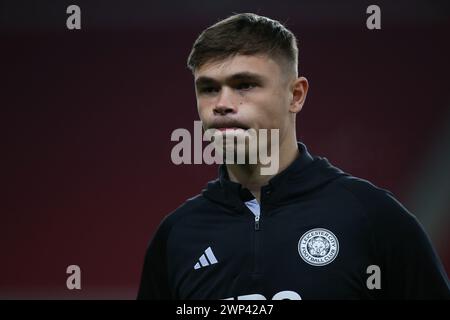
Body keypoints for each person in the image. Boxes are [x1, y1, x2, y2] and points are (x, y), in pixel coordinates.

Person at [137, 13, 450, 300]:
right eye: (208, 89)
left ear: (295, 95)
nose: (222, 103)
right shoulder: (177, 236)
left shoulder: (372, 218)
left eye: (244, 84)